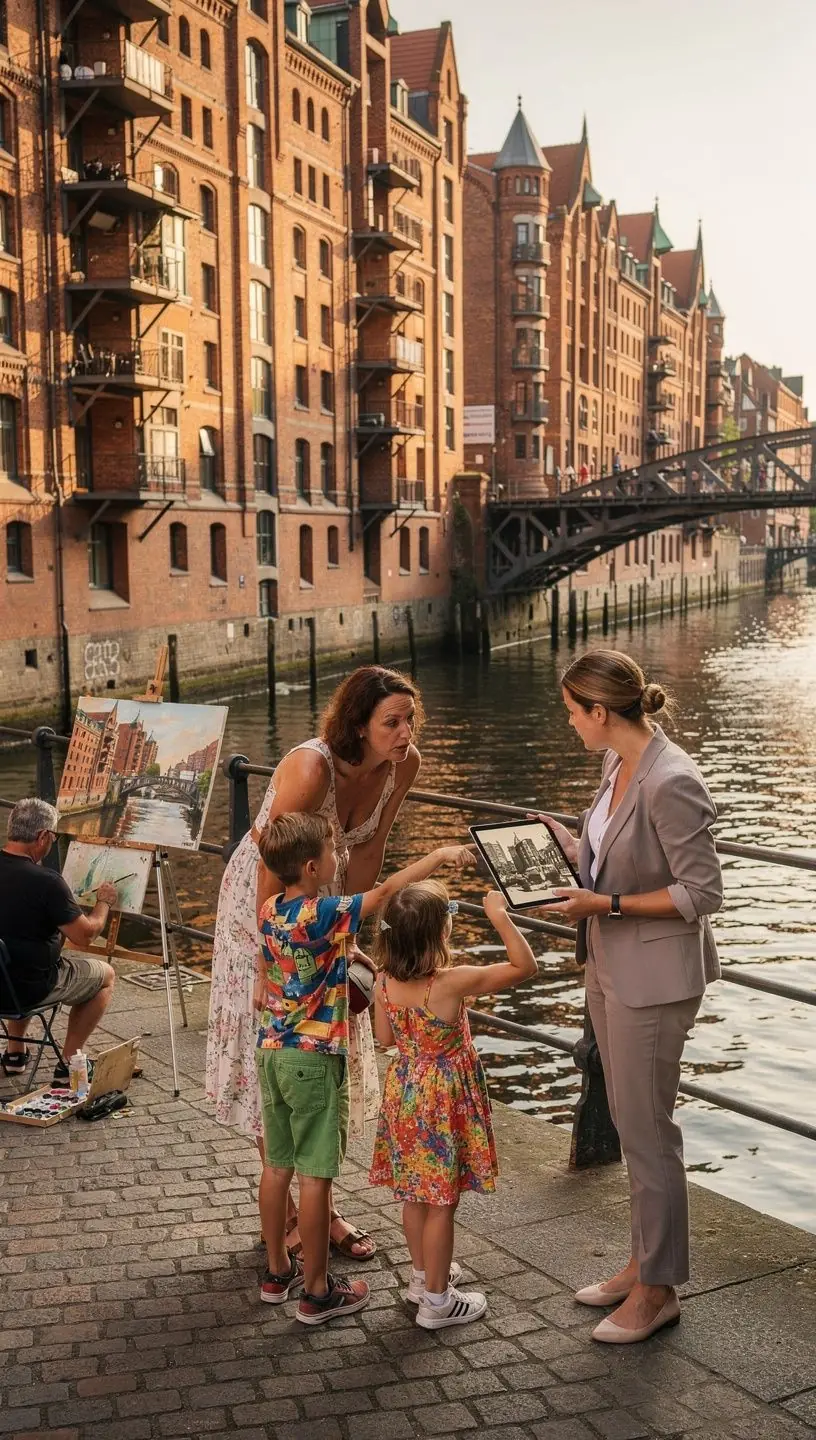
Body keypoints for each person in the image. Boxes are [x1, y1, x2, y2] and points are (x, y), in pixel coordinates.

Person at [206, 665, 424, 1262]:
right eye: (392, 722)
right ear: (357, 724)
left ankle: (317, 1208)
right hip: (265, 904)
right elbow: (272, 868)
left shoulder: (404, 765)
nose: (406, 732)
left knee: (321, 1055)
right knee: (279, 1051)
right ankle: (303, 1218)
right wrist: (265, 961)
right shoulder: (311, 767)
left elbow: (371, 846)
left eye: (409, 719)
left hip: (325, 899)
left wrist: (348, 933)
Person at [539, 650, 722, 1345]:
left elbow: (701, 894)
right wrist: (563, 843)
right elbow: (608, 852)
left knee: (648, 1136)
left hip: (654, 981)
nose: (569, 725)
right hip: (612, 970)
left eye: (571, 713)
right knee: (627, 1119)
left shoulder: (672, 779)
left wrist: (605, 902)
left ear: (601, 712)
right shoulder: (616, 764)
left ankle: (659, 1292)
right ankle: (643, 1264)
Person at [253, 810, 471, 1325]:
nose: (338, 858)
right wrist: (438, 856)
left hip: (271, 1050)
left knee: (276, 1166)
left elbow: (281, 964)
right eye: (332, 851)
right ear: (311, 867)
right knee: (315, 1177)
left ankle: (276, 1272)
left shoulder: (269, 910)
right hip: (313, 1059)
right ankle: (317, 1292)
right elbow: (386, 891)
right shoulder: (324, 912)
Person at [369, 881, 537, 1330]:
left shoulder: (383, 980)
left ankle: (422, 1278)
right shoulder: (451, 982)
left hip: (405, 1092)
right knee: (442, 1201)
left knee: (415, 1196)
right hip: (444, 1098)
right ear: (439, 934)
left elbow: (385, 1040)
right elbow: (525, 965)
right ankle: (439, 1303)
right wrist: (500, 916)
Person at [0, 798, 116, 1081]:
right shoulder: (46, 882)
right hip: (28, 987)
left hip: (2, 981)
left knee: (18, 956)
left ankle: (15, 1054)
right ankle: (70, 1063)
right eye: (53, 837)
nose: (52, 843)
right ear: (42, 836)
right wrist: (104, 904)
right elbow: (85, 935)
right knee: (105, 975)